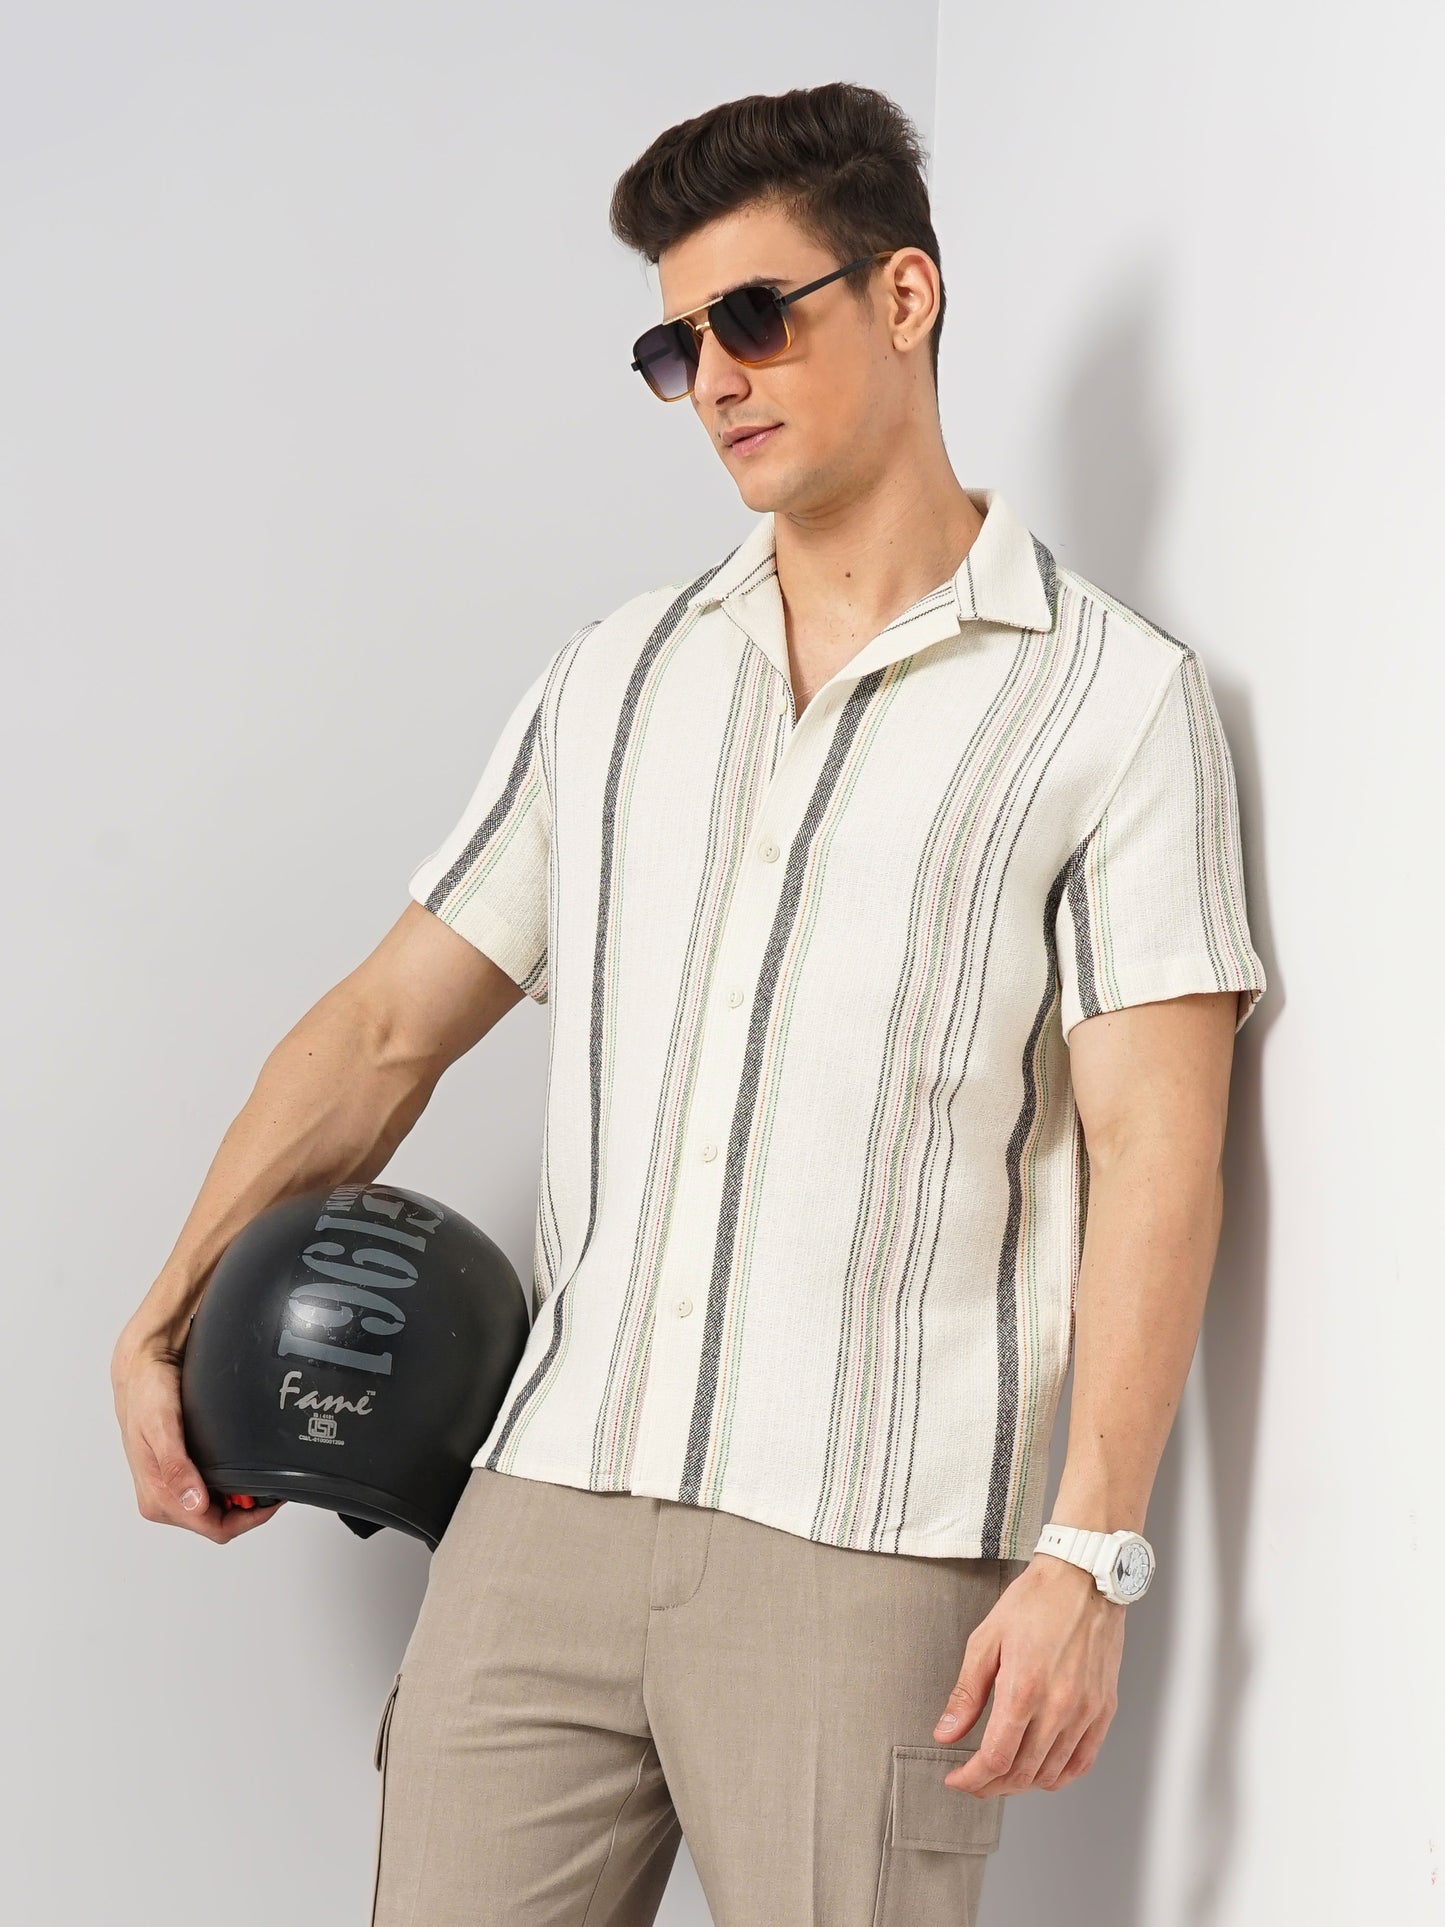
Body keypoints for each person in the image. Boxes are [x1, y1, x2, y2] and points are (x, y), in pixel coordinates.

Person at [111, 79, 1267, 1927]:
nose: (714, 377)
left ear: (904, 296)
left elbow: (1155, 1150)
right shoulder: (618, 678)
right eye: (675, 347)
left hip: (865, 1549)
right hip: (544, 1503)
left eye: (752, 317)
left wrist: (1090, 1553)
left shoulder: (1111, 706)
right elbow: (387, 1025)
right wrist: (166, 1314)